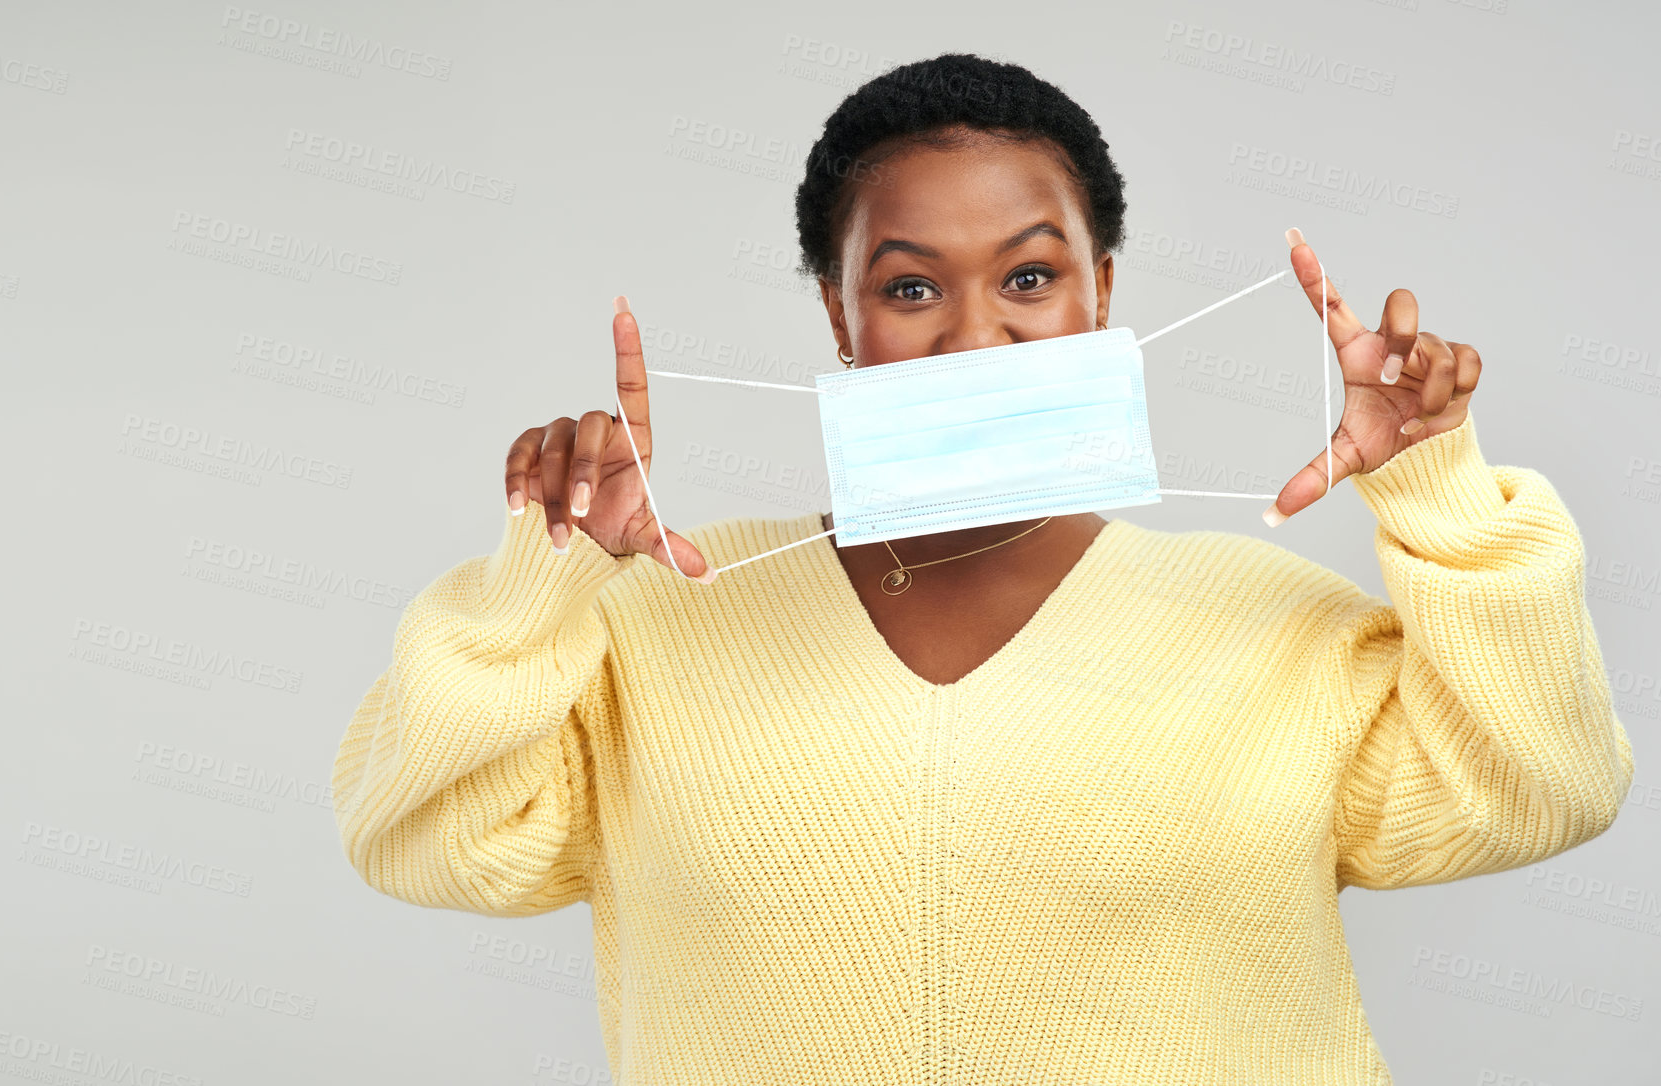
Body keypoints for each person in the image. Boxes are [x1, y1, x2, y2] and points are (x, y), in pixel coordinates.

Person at [330, 52, 1634, 1085]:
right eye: (907, 289)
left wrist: (1438, 488)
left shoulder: (1268, 626)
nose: (975, 334)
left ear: (1100, 292)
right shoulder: (660, 626)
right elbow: (421, 839)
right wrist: (543, 570)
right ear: (838, 313)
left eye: (1027, 273)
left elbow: (1540, 790)